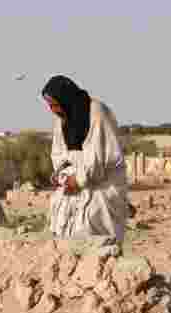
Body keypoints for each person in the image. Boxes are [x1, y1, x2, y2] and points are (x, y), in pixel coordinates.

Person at [42, 75, 130, 243]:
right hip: (75, 179)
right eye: (49, 105)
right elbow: (60, 154)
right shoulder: (61, 119)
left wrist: (80, 180)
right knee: (60, 213)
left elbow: (99, 158)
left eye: (54, 104)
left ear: (66, 98)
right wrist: (61, 175)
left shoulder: (97, 112)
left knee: (90, 218)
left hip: (103, 182)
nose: (52, 109)